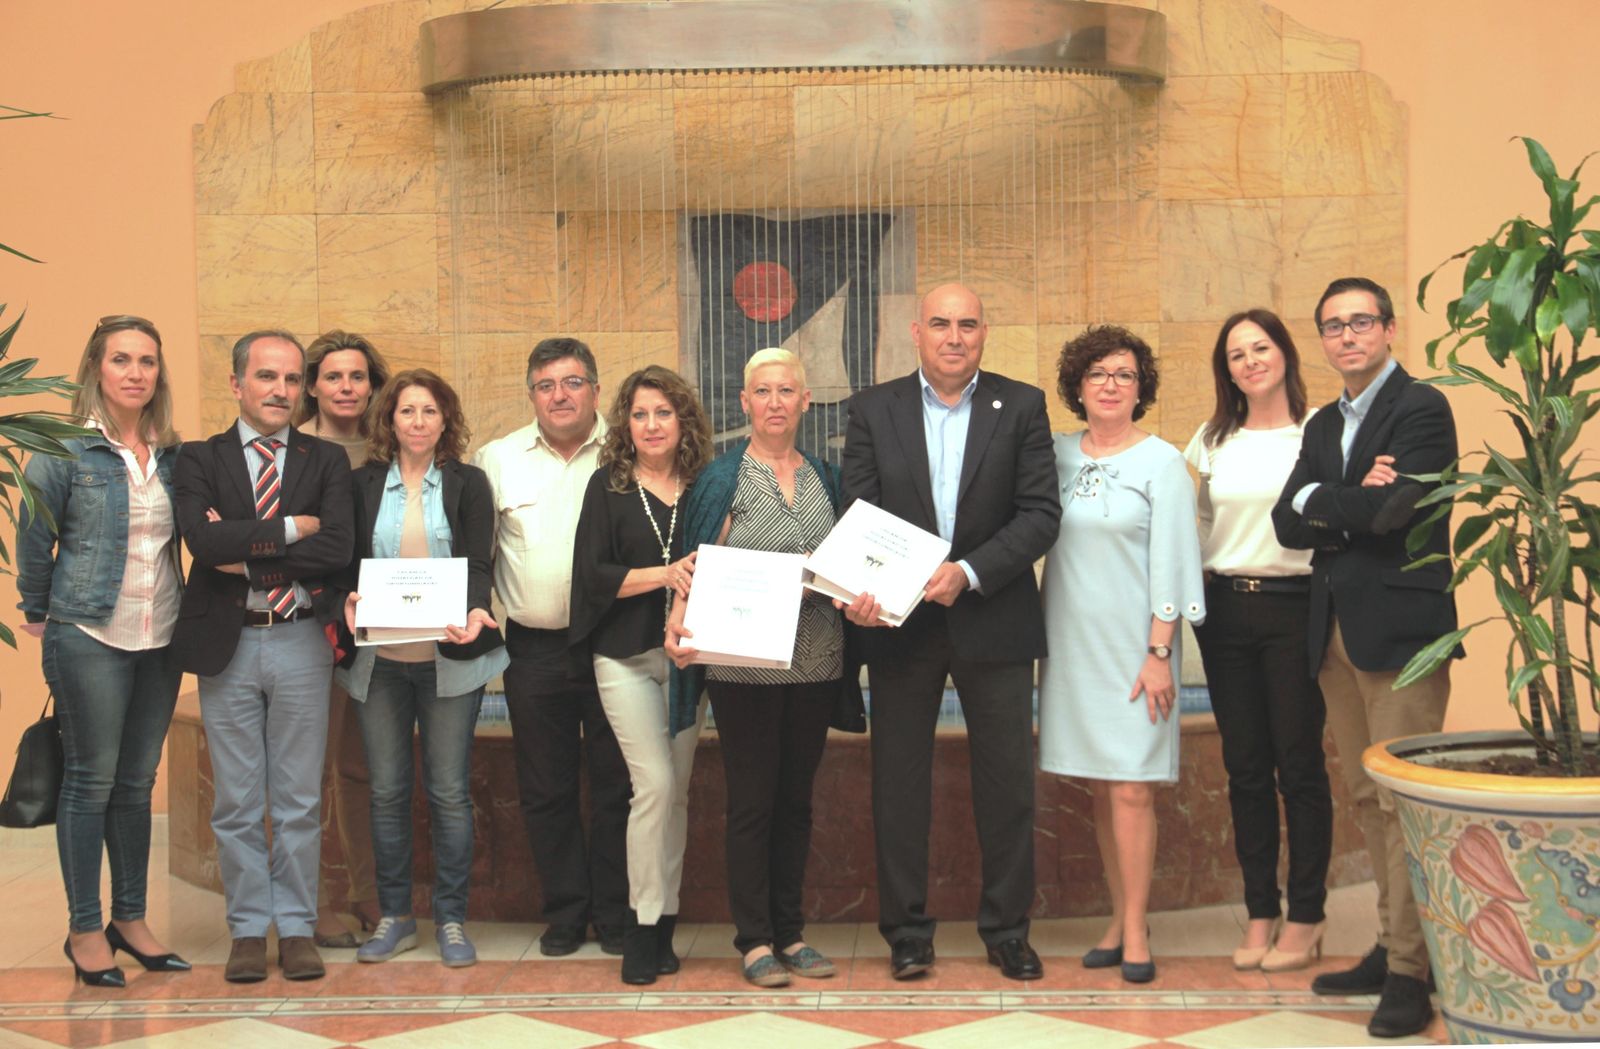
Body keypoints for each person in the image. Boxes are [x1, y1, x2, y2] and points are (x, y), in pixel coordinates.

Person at [840, 283, 1061, 982]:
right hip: (900, 624)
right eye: (941, 323)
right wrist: (865, 587)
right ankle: (907, 932)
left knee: (1007, 784)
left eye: (968, 323)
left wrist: (967, 570)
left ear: (984, 332)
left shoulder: (1021, 404)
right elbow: (858, 510)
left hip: (992, 615)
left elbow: (1039, 514)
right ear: (916, 331)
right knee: (898, 784)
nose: (954, 336)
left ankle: (1007, 929)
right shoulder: (875, 408)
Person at [1272, 277, 1459, 1039]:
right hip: (1334, 633)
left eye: (1360, 322)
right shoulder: (1323, 420)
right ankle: (1393, 946)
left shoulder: (1422, 408)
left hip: (1401, 635)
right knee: (1362, 795)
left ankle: (1414, 973)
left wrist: (1330, 498)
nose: (1347, 336)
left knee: (1401, 802)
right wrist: (1346, 491)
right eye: (1333, 326)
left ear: (1386, 327)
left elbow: (1397, 511)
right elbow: (1288, 519)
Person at [664, 348, 854, 988]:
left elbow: (849, 568)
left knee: (796, 804)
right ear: (743, 403)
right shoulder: (721, 479)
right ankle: (753, 941)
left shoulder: (829, 478)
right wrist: (677, 620)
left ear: (805, 401)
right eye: (762, 392)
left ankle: (791, 933)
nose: (775, 402)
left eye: (787, 391)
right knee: (752, 803)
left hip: (816, 664)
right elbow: (692, 563)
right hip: (742, 669)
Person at [170, 329, 354, 984]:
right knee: (238, 800)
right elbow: (201, 539)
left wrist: (243, 548)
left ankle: (297, 925)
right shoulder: (197, 458)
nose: (281, 390)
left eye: (291, 378)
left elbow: (336, 548)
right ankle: (249, 927)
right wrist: (289, 527)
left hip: (303, 639)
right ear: (237, 383)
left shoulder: (325, 459)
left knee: (300, 796)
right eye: (266, 376)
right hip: (230, 643)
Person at [15, 315, 187, 987]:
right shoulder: (65, 449)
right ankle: (85, 928)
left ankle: (132, 918)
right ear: (96, 367)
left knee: (137, 782)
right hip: (89, 633)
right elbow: (35, 535)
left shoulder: (172, 452)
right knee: (91, 781)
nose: (136, 372)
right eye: (122, 359)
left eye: (147, 360)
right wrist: (39, 609)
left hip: (162, 634)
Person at [1038, 324, 1206, 985]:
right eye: (1099, 373)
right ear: (1078, 386)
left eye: (1125, 375)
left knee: (1134, 787)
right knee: (1105, 787)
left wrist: (1160, 649)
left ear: (1142, 389)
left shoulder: (1162, 461)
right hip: (1072, 644)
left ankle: (1137, 926)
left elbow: (1175, 558)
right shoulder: (1053, 454)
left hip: (1137, 647)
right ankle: (1117, 915)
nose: (1112, 384)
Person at [336, 369, 506, 968]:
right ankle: (394, 916)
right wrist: (346, 601)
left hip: (449, 659)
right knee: (386, 793)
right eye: (406, 411)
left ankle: (452, 921)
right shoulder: (357, 485)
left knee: (449, 792)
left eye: (428, 411)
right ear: (389, 419)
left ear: (445, 419)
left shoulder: (468, 483)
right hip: (380, 662)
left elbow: (479, 561)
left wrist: (477, 608)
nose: (416, 422)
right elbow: (343, 565)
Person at [1183, 311, 1331, 972]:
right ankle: (1260, 912)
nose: (1249, 361)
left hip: (1297, 607)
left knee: (1298, 765)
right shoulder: (1211, 439)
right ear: (1227, 368)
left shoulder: (1320, 430)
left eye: (1260, 347)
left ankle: (1306, 914)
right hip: (1225, 613)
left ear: (1284, 353)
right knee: (1244, 767)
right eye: (1236, 353)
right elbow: (1200, 524)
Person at [474, 338, 631, 957]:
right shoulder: (497, 459)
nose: (559, 396)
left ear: (596, 388)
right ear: (532, 393)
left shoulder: (626, 452)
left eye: (572, 382)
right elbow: (478, 550)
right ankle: (567, 911)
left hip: (616, 642)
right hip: (534, 650)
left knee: (619, 783)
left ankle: (617, 914)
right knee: (546, 787)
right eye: (546, 385)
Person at [569, 365, 712, 985]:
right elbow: (592, 576)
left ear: (683, 420)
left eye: (663, 412)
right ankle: (640, 926)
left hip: (690, 660)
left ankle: (668, 921)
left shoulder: (708, 485)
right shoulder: (609, 487)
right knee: (651, 785)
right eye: (639, 414)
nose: (652, 425)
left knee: (676, 791)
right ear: (625, 423)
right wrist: (666, 575)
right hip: (622, 657)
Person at [296, 330, 391, 948]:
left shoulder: (393, 451)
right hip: (309, 625)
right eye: (333, 376)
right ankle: (316, 899)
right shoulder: (295, 452)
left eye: (357, 377)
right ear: (313, 386)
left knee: (359, 769)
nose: (346, 388)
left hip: (382, 629)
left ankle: (366, 890)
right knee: (306, 772)